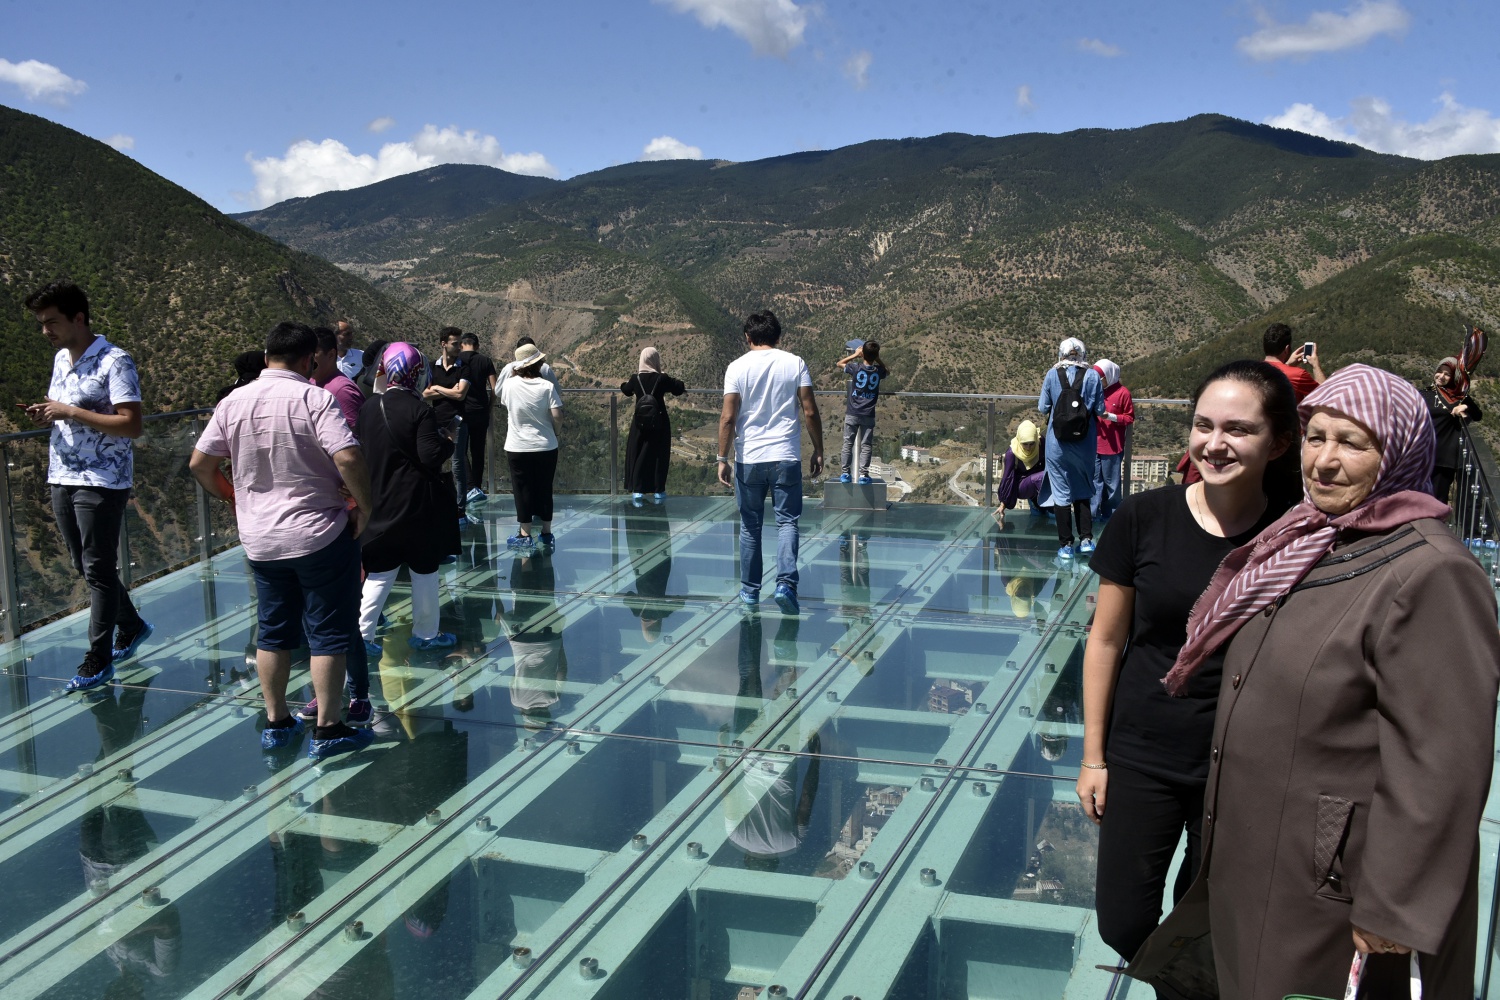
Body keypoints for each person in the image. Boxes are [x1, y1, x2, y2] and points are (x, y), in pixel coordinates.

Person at [1129, 365, 1500, 1000]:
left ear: (1399, 453)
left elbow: (1442, 760)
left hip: (1336, 892)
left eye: (1352, 443)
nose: (1323, 461)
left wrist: (1394, 908)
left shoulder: (1430, 572)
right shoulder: (1310, 538)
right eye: (1316, 437)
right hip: (1264, 862)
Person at [1077, 360, 1300, 985]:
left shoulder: (1298, 532)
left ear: (1278, 443)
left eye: (1238, 429)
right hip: (1141, 750)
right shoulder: (1143, 518)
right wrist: (1093, 757)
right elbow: (1106, 640)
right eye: (1203, 425)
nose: (1214, 443)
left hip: (1238, 764)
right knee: (1122, 919)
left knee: (1207, 918)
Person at [189, 321, 377, 762]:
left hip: (260, 540)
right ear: (310, 359)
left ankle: (276, 723)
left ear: (267, 355)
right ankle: (328, 729)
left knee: (272, 632)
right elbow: (348, 456)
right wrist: (365, 508)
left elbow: (200, 464)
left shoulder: (233, 402)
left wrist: (234, 498)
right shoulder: (314, 398)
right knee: (328, 633)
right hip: (319, 534)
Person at [21, 281, 152, 691]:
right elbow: (65, 410)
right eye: (41, 323)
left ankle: (98, 658)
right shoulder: (61, 359)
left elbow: (131, 424)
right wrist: (49, 413)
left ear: (79, 318)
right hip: (62, 473)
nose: (46, 331)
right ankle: (131, 625)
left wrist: (70, 411)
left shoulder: (116, 361)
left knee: (97, 568)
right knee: (84, 565)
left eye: (52, 322)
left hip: (102, 479)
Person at [717, 310, 824, 615]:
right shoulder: (795, 363)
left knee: (750, 526)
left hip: (749, 458)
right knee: (787, 521)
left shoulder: (736, 368)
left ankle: (750, 592)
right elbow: (810, 411)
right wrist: (818, 449)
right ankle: (786, 585)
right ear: (778, 336)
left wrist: (722, 458)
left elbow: (728, 417)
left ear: (747, 337)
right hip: (785, 456)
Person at [354, 343, 459, 652]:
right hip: (417, 504)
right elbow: (430, 456)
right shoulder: (420, 410)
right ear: (417, 372)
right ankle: (426, 635)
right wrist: (449, 441)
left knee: (380, 573)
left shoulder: (369, 407)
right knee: (424, 571)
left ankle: (361, 637)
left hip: (379, 501)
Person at [1037, 337, 1104, 559]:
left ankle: (1065, 546)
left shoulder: (1052, 374)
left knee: (1061, 492)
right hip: (1085, 444)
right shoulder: (1093, 376)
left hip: (1057, 444)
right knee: (1083, 489)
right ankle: (1086, 540)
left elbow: (1043, 407)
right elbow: (1100, 409)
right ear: (1083, 355)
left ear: (1061, 354)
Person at [498, 343, 563, 550]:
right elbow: (557, 415)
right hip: (546, 445)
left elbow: (506, 404)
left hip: (517, 446)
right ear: (538, 364)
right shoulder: (547, 386)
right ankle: (546, 532)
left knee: (522, 489)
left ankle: (525, 534)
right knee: (545, 487)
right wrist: (556, 432)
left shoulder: (509, 385)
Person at [621, 346, 686, 504]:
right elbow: (679, 388)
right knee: (659, 455)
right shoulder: (662, 379)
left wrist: (624, 384)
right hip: (659, 423)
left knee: (638, 454)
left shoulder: (635, 379)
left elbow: (626, 390)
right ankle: (658, 490)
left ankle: (637, 490)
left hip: (640, 423)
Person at [1422, 356, 1483, 502]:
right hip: (1422, 454)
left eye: (1447, 374)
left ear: (1454, 377)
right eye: (1439, 371)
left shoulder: (1458, 397)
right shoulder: (1423, 394)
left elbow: (1478, 415)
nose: (1441, 376)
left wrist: (1465, 406)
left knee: (1436, 500)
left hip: (1444, 458)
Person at [424, 327, 472, 513]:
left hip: (457, 422)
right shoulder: (431, 366)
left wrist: (437, 388)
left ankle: (459, 508)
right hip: (435, 421)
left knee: (457, 465)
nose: (459, 347)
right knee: (434, 462)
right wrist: (449, 390)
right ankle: (438, 504)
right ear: (443, 344)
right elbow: (425, 393)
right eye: (455, 343)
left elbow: (460, 394)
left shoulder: (464, 368)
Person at [833, 341, 888, 484]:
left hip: (853, 412)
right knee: (866, 445)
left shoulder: (855, 368)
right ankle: (864, 475)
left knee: (848, 443)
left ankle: (845, 473)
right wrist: (877, 358)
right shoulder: (878, 371)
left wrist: (855, 355)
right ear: (876, 355)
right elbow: (887, 371)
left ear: (862, 353)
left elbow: (839, 363)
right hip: (868, 414)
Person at [1091, 359, 1134, 520]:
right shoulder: (1096, 391)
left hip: (1112, 446)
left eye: (1100, 378)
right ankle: (1093, 516)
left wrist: (1110, 417)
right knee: (1095, 482)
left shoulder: (1123, 393)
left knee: (1112, 485)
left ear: (1109, 376)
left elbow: (1129, 418)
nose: (1098, 381)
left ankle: (1112, 517)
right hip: (1094, 445)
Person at [458, 333, 498, 504]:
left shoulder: (457, 360)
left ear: (461, 345)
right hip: (480, 411)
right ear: (477, 345)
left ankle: (468, 488)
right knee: (478, 451)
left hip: (461, 411)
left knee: (460, 451)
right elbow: (495, 388)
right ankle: (477, 488)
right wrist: (489, 406)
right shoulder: (485, 361)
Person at [993, 418, 1047, 528]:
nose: (1028, 447)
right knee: (1044, 476)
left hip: (1039, 487)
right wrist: (1003, 504)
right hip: (1021, 486)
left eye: (1031, 443)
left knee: (1040, 522)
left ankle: (1038, 506)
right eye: (1025, 444)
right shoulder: (1012, 453)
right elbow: (1007, 478)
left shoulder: (1040, 443)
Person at [310, 327, 365, 429]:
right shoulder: (310, 381)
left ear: (331, 355)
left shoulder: (343, 391)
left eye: (313, 353)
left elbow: (355, 433)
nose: (307, 358)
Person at [1261, 321, 1323, 401]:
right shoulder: (1297, 375)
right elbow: (1326, 396)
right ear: (1286, 349)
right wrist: (1316, 366)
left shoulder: (1251, 371)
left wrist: (1287, 365)